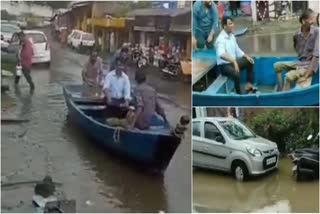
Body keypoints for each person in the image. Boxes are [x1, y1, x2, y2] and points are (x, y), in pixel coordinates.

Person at [273, 10, 319, 91]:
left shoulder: (317, 32)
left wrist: (307, 74)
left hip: (309, 65)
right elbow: (297, 49)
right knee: (277, 65)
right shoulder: (297, 34)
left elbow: (316, 55)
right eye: (311, 19)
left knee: (288, 76)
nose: (313, 22)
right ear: (304, 21)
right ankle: (280, 89)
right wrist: (297, 65)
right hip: (300, 62)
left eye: (313, 19)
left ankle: (284, 97)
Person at [215, 16, 256, 94]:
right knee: (236, 73)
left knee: (250, 61)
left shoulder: (232, 36)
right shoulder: (220, 39)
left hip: (233, 63)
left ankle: (249, 84)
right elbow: (221, 54)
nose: (233, 25)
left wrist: (246, 56)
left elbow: (237, 50)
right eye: (230, 24)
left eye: (232, 23)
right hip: (224, 66)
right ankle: (238, 93)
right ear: (224, 26)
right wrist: (234, 61)